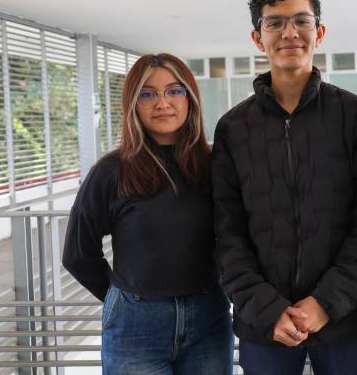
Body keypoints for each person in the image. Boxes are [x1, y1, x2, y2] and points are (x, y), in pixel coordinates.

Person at [211, 0, 357, 375]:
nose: (289, 33)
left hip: (344, 319)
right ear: (258, 37)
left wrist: (326, 303)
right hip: (265, 326)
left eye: (301, 21)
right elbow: (226, 232)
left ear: (319, 32)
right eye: (275, 23)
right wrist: (267, 309)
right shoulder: (233, 129)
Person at [62, 53, 233, 374]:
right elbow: (77, 254)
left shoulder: (216, 166)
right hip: (136, 324)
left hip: (208, 318)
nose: (162, 103)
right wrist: (122, 299)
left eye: (174, 91)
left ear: (190, 98)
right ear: (133, 104)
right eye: (147, 94)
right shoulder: (111, 172)